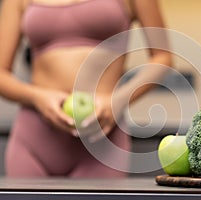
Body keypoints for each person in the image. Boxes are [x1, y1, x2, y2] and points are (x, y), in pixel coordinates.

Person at [0, 0, 172, 177]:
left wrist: (117, 101)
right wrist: (37, 97)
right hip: (34, 136)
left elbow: (162, 58)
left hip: (102, 141)